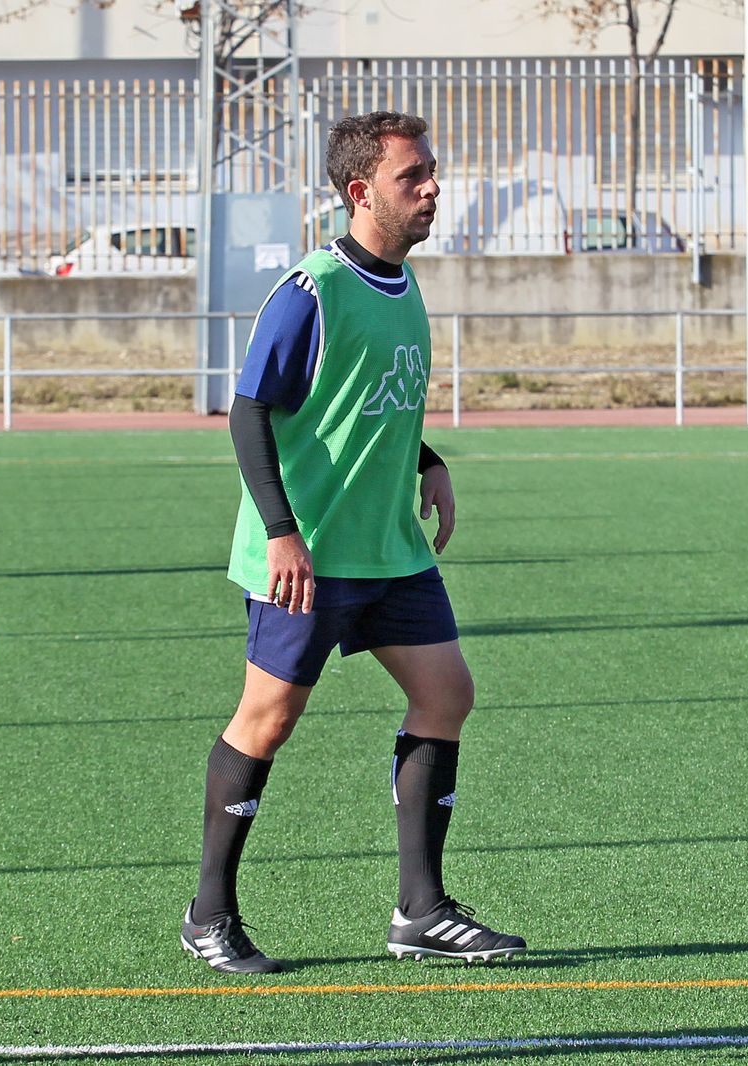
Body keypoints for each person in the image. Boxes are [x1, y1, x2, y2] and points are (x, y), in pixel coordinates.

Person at [180, 110, 525, 975]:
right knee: (269, 719)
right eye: (414, 177)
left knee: (446, 694)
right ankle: (208, 912)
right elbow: (251, 410)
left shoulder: (402, 284)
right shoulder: (312, 291)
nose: (433, 188)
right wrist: (282, 531)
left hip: (389, 547)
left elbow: (371, 401)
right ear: (359, 190)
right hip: (309, 550)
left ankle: (421, 909)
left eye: (432, 171)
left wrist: (429, 456)